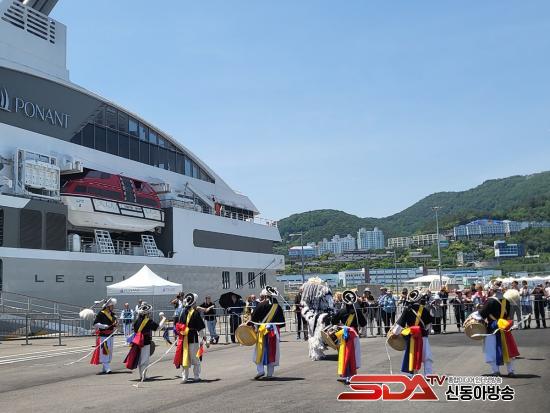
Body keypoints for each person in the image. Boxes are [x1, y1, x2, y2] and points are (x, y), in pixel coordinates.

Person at [468, 287, 520, 376]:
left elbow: (482, 315)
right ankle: (511, 371)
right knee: (507, 349)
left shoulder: (490, 301)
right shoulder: (506, 301)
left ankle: (496, 371)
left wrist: (474, 314)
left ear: (492, 291)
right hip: (504, 327)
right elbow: (509, 316)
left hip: (493, 328)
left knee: (491, 349)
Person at [389, 289, 433, 376]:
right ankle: (428, 374)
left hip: (411, 336)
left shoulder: (407, 309)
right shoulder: (424, 310)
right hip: (423, 336)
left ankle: (409, 375)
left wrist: (395, 333)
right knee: (426, 356)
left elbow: (400, 324)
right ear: (420, 299)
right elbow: (428, 325)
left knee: (411, 354)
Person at [250, 287, 285, 379]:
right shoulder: (278, 307)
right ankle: (270, 374)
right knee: (272, 351)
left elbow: (253, 319)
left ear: (265, 296)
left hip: (262, 331)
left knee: (259, 350)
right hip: (273, 332)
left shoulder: (261, 305)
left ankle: (260, 371)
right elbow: (282, 323)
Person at [331, 292, 366, 383]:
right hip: (354, 335)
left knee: (343, 354)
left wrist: (341, 325)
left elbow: (333, 321)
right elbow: (363, 323)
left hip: (343, 335)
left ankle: (345, 374)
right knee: (353, 355)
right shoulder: (357, 311)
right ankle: (350, 375)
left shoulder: (341, 311)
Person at [124, 303, 163, 380]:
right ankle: (143, 376)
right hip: (145, 342)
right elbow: (158, 328)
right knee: (145, 360)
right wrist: (163, 319)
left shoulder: (136, 321)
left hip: (137, 342)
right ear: (147, 313)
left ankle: (142, 375)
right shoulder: (148, 321)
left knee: (140, 359)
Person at [173, 293, 207, 383]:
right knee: (195, 358)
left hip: (184, 338)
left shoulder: (182, 312)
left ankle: (184, 377)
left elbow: (178, 325)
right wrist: (204, 337)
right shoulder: (195, 313)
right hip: (193, 338)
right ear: (194, 303)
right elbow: (200, 328)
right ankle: (196, 376)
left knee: (185, 357)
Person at [301, 277, 334, 360]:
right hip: (321, 316)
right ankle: (316, 353)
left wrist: (308, 314)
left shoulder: (307, 292)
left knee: (313, 334)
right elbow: (330, 304)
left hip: (313, 316)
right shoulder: (325, 291)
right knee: (318, 334)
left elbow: (304, 304)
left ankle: (315, 353)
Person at [91, 298, 118, 374]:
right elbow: (95, 324)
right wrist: (103, 326)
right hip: (104, 335)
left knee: (110, 351)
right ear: (107, 307)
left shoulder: (112, 314)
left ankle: (104, 367)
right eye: (111, 306)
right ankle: (107, 367)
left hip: (111, 335)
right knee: (105, 350)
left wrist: (116, 323)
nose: (113, 307)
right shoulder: (101, 313)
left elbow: (114, 323)